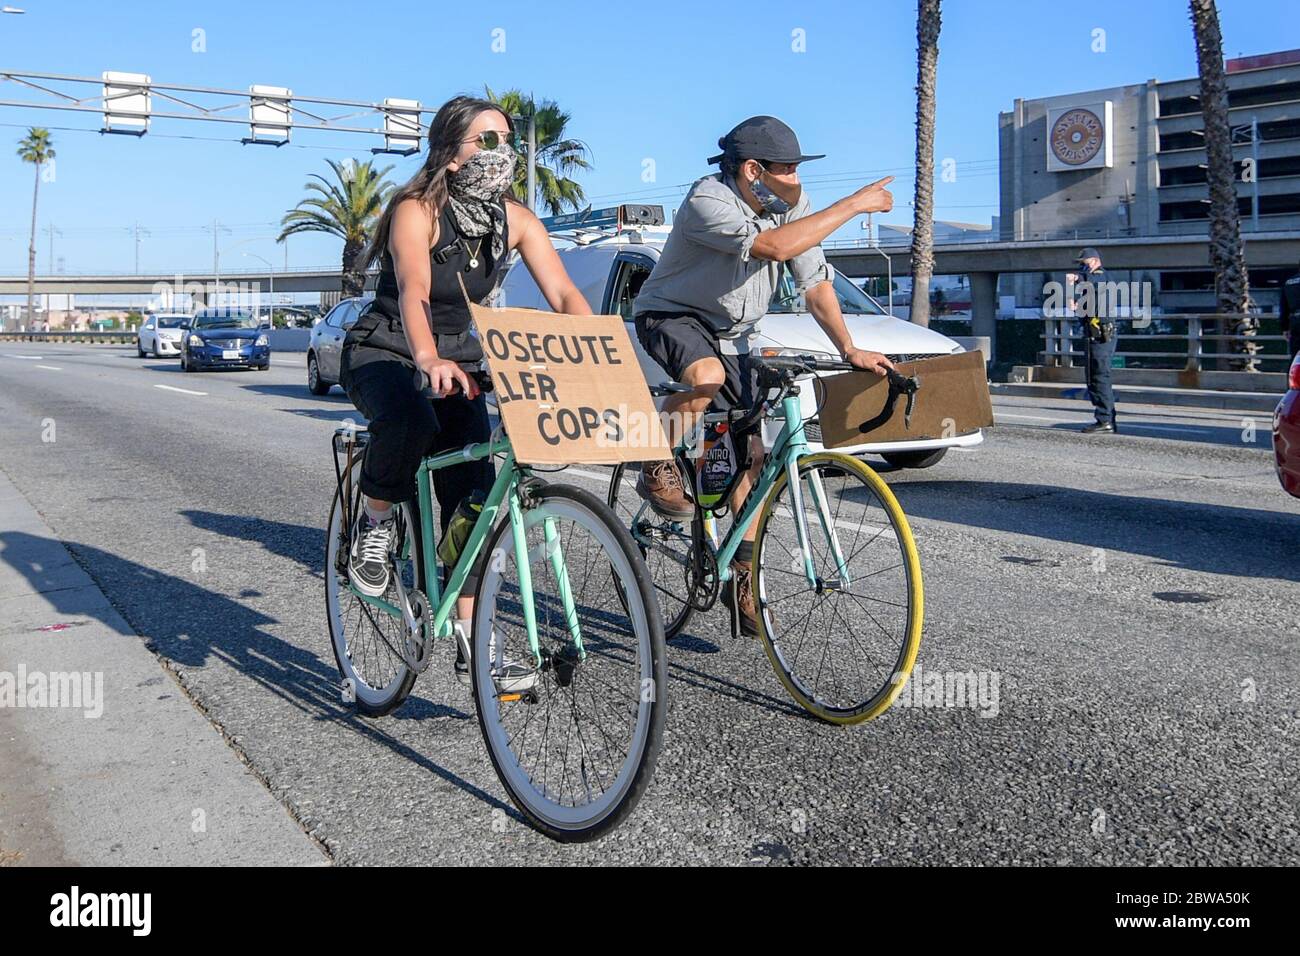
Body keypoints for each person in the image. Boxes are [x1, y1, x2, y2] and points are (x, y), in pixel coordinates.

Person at [340, 94, 593, 686]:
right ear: (451, 154)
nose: (501, 153)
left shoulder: (516, 219)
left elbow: (563, 295)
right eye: (487, 141)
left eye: (507, 141)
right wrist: (424, 356)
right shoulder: (416, 210)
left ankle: (473, 635)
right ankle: (374, 524)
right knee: (411, 423)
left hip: (462, 356)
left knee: (474, 499)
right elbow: (414, 292)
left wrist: (596, 353)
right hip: (390, 347)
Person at [631, 115, 895, 636]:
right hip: (671, 316)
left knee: (751, 461)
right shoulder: (708, 199)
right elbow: (773, 248)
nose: (798, 181)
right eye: (789, 169)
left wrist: (850, 347)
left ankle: (741, 577)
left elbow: (816, 283)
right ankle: (654, 461)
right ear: (754, 171)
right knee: (704, 373)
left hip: (736, 332)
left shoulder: (791, 208)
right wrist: (854, 204)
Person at [1068, 247, 1117, 434]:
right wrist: (1078, 307)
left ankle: (1105, 419)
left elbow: (1097, 282)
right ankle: (1107, 418)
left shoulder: (1100, 275)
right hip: (1092, 333)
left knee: (1099, 376)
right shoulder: (1091, 282)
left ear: (1095, 261)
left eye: (1084, 263)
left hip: (1101, 335)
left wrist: (1079, 279)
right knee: (1093, 377)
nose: (1082, 268)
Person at [1280, 258, 1300, 366]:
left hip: (1295, 322)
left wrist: (1285, 327)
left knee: (1295, 357)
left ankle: (1293, 381)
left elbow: (1284, 307)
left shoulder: (1289, 282)